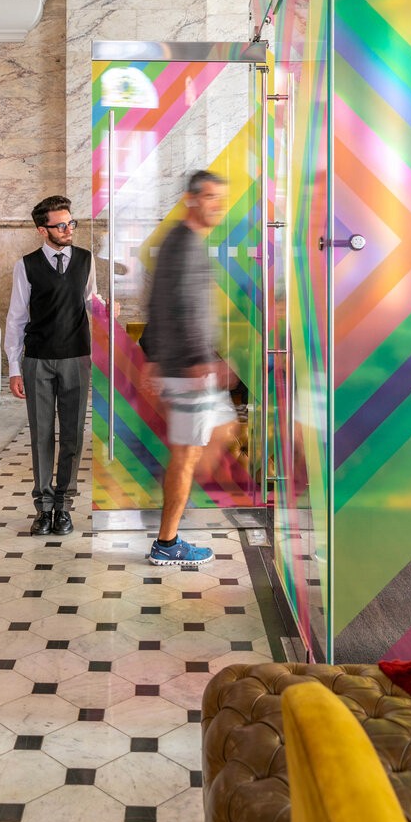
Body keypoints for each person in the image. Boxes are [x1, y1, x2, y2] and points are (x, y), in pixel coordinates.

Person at [143, 170, 237, 566]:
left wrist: (152, 357)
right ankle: (167, 542)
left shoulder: (181, 242)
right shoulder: (184, 245)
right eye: (211, 197)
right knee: (185, 456)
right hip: (189, 371)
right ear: (191, 199)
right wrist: (200, 361)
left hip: (182, 367)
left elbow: (156, 300)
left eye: (221, 198)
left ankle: (174, 517)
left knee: (218, 432)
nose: (217, 205)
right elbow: (180, 305)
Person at [5, 194, 97, 536]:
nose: (68, 229)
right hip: (38, 360)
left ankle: (64, 506)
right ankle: (43, 509)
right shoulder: (25, 265)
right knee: (41, 435)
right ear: (43, 230)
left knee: (72, 434)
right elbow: (15, 318)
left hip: (77, 358)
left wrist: (106, 308)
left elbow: (90, 301)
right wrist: (14, 367)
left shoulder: (86, 260)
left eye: (71, 222)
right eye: (61, 225)